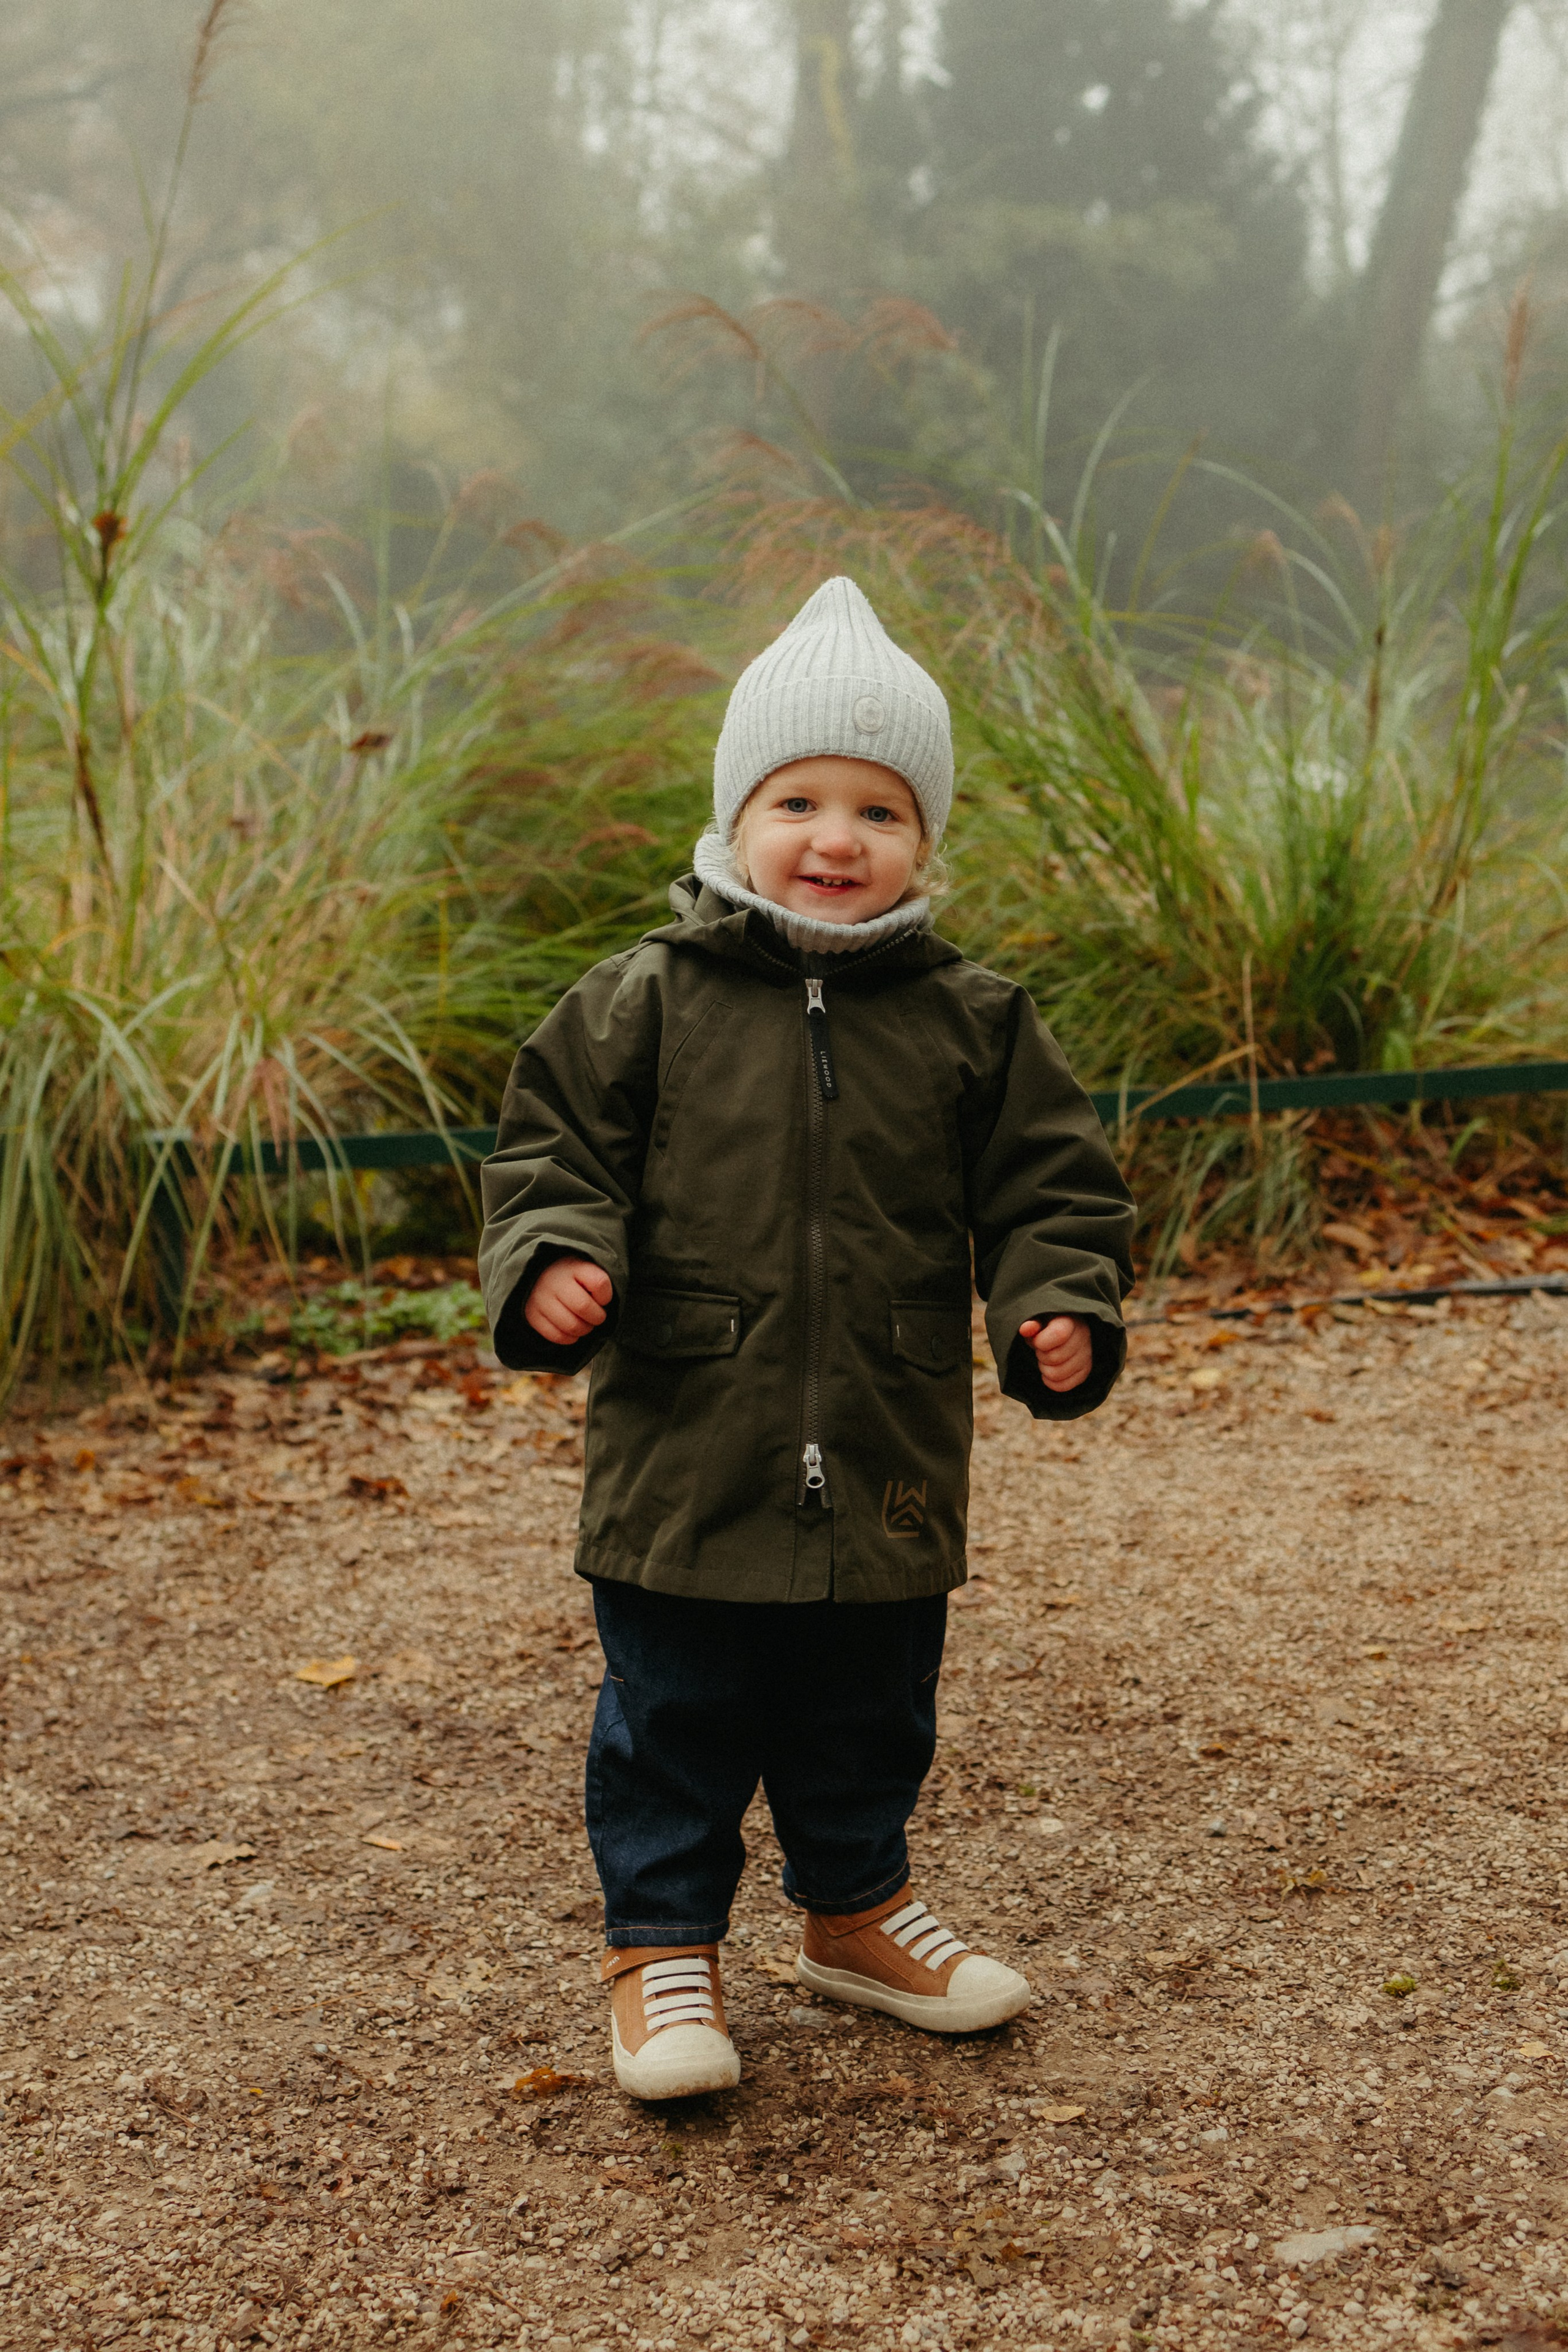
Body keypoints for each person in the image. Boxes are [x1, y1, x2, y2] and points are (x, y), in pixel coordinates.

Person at [480, 577, 1134, 2101]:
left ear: (923, 841)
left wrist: (1057, 1300)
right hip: (684, 1450)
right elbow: (548, 1152)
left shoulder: (975, 1019)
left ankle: (853, 1911)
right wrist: (557, 1257)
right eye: (796, 800)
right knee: (675, 1713)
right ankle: (660, 1948)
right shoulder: (642, 1000)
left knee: (867, 1706)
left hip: (891, 1442)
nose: (834, 839)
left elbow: (1052, 1182)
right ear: (735, 816)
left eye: (878, 810)